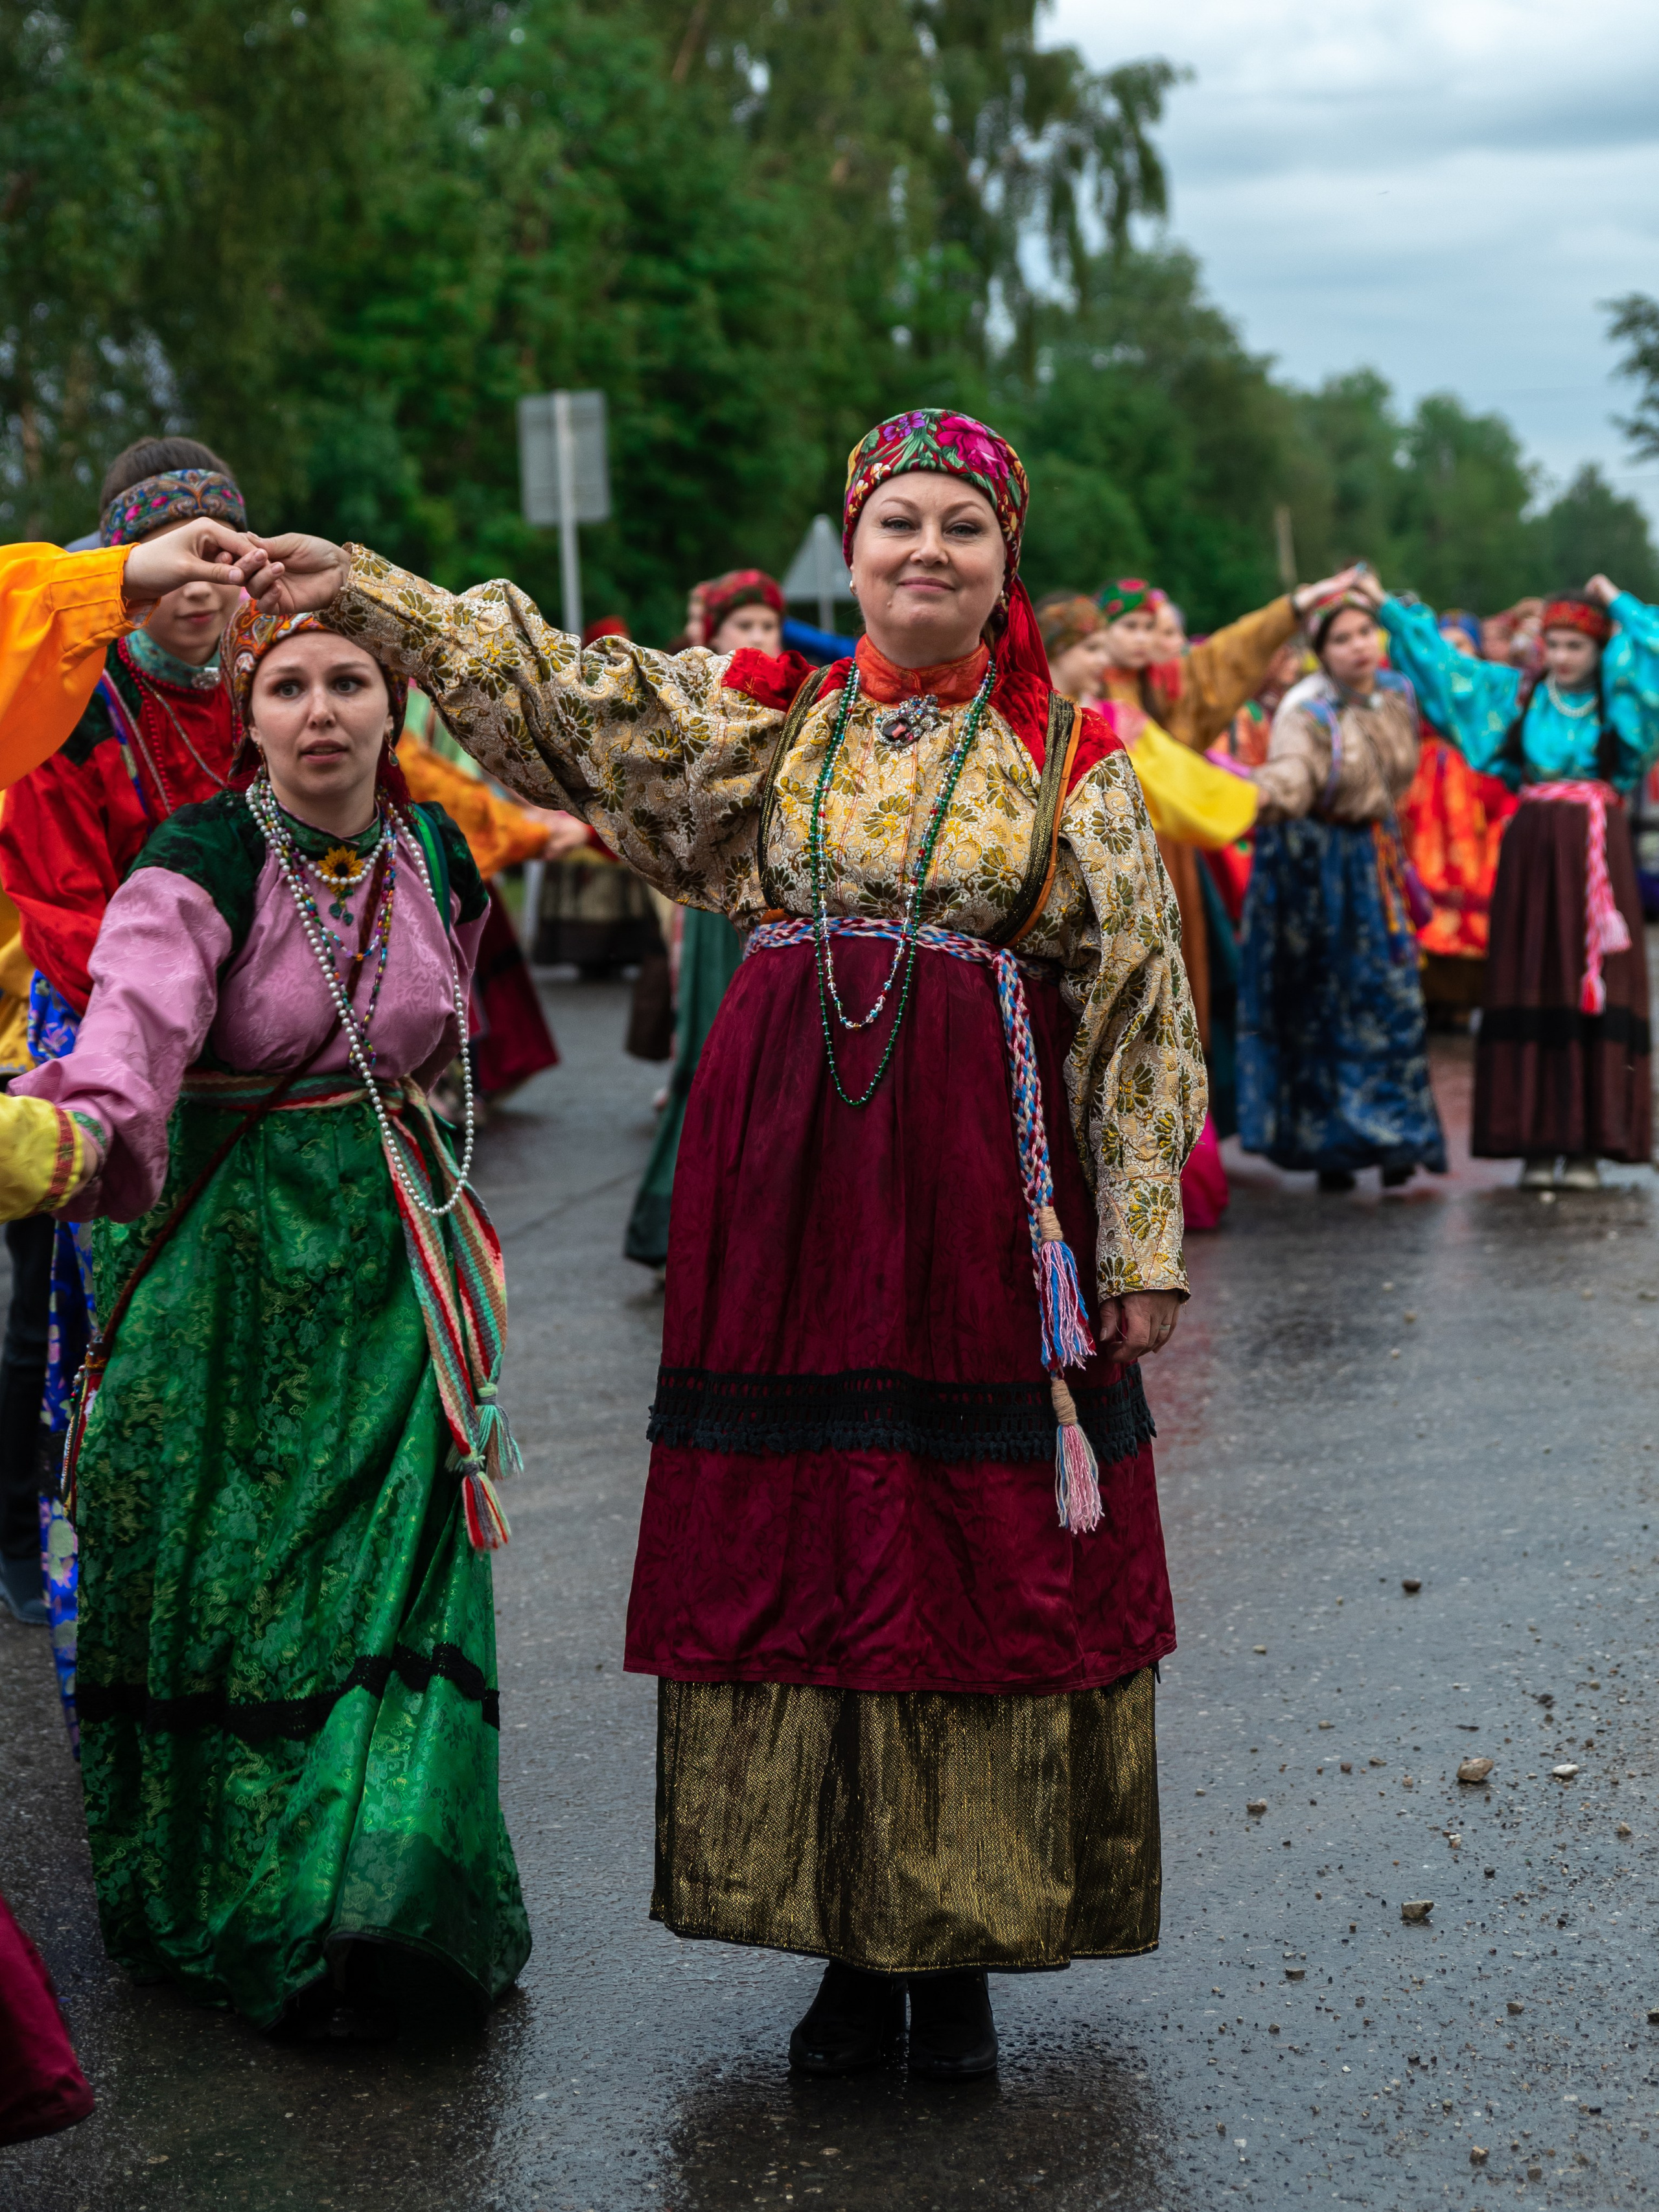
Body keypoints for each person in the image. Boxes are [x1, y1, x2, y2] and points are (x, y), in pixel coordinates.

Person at [244, 406, 1203, 2082]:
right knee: (816, 1545)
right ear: (858, 536)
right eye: (898, 520)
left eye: (962, 529)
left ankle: (957, 1951)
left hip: (983, 1205)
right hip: (790, 1201)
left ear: (1005, 564)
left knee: (963, 1547)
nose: (927, 551)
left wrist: (1139, 1242)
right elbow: (557, 693)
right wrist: (373, 597)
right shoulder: (764, 729)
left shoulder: (1072, 764)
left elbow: (1138, 1012)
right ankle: (843, 1948)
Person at [12, 601, 531, 2036]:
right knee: (236, 1596)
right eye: (287, 684)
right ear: (247, 715)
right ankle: (244, 1896)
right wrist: (66, 1135)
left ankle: (383, 1902)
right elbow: (129, 1044)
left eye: (348, 681)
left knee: (395, 1585)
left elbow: (440, 1051)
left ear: (391, 706)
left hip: (390, 1282)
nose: (319, 710)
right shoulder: (193, 864)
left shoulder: (439, 855)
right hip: (227, 1286)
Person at [0, 509, 270, 1629]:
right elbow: (57, 900)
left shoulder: (274, 684)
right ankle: (28, 1530)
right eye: (175, 559)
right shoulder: (70, 697)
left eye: (221, 557)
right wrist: (161, 1009)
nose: (200, 588)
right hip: (78, 1023)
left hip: (228, 1041)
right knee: (52, 1318)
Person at [1367, 572, 1659, 1189]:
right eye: (1552, 644)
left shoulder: (1623, 700)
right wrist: (1392, 613)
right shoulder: (1519, 696)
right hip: (1532, 855)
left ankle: (1586, 1146)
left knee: (1595, 984)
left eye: (1575, 645)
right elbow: (1446, 669)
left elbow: (1655, 642)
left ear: (1601, 650)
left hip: (1596, 849)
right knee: (1532, 976)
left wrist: (1616, 602)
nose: (1560, 657)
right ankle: (1532, 1139)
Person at [1237, 594, 1447, 1193]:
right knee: (1323, 1001)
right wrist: (1242, 795)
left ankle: (1398, 1138)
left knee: (1390, 998)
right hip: (1313, 864)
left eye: (1365, 632)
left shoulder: (1397, 695)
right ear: (1321, 653)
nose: (1359, 645)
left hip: (1373, 857)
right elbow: (1294, 776)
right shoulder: (1307, 711)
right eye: (1343, 637)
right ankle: (1331, 1146)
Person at [625, 568, 789, 1269]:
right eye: (743, 626)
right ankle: (676, 1226)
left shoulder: (799, 698)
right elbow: (659, 811)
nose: (757, 637)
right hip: (710, 910)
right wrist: (672, 916)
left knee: (774, 1062)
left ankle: (762, 1228)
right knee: (704, 1056)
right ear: (713, 633)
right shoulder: (690, 695)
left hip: (776, 907)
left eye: (767, 625)